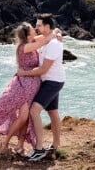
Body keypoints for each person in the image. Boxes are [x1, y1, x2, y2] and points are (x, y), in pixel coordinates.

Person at [0, 22, 59, 155]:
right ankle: (5, 142)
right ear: (28, 34)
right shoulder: (25, 47)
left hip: (32, 86)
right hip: (22, 86)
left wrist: (56, 32)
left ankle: (20, 145)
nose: (35, 29)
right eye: (32, 29)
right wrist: (53, 33)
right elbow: (45, 39)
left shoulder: (32, 41)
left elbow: (48, 36)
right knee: (23, 117)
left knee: (26, 117)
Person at [17, 13, 66, 162]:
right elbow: (53, 33)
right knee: (53, 112)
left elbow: (44, 69)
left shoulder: (53, 44)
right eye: (36, 25)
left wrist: (24, 73)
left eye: (38, 25)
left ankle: (39, 149)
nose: (36, 27)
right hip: (50, 80)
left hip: (52, 81)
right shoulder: (47, 40)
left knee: (34, 111)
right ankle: (56, 144)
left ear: (47, 26)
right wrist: (57, 32)